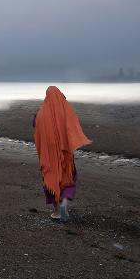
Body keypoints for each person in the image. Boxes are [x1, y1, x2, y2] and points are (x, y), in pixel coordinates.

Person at [33, 86, 91, 222]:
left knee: (50, 178)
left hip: (48, 154)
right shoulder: (66, 111)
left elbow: (35, 126)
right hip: (64, 151)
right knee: (67, 177)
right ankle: (65, 202)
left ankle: (57, 211)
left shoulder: (40, 113)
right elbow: (72, 126)